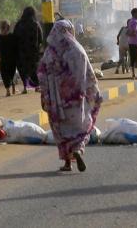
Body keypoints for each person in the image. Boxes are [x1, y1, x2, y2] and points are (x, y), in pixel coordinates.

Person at [38, 20, 102, 172]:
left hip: (56, 99)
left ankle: (67, 162)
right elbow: (89, 74)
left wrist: (45, 94)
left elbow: (41, 73)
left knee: (61, 129)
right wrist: (93, 92)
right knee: (80, 125)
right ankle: (78, 150)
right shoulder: (77, 50)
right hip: (76, 100)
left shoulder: (50, 52)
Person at [13, 6, 43, 94]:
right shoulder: (35, 24)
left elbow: (15, 37)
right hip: (33, 51)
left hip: (21, 51)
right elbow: (41, 38)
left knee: (23, 69)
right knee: (34, 69)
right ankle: (37, 86)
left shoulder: (19, 24)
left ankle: (25, 87)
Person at [0, 20, 18, 96]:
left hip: (3, 59)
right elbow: (16, 47)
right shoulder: (12, 36)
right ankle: (12, 87)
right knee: (11, 73)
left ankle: (8, 90)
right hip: (12, 59)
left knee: (4, 74)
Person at [127, 8, 137, 79]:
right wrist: (131, 34)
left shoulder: (130, 21)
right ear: (135, 14)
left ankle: (133, 74)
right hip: (136, 42)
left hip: (130, 42)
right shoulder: (136, 21)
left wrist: (128, 34)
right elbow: (134, 32)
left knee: (132, 58)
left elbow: (128, 31)